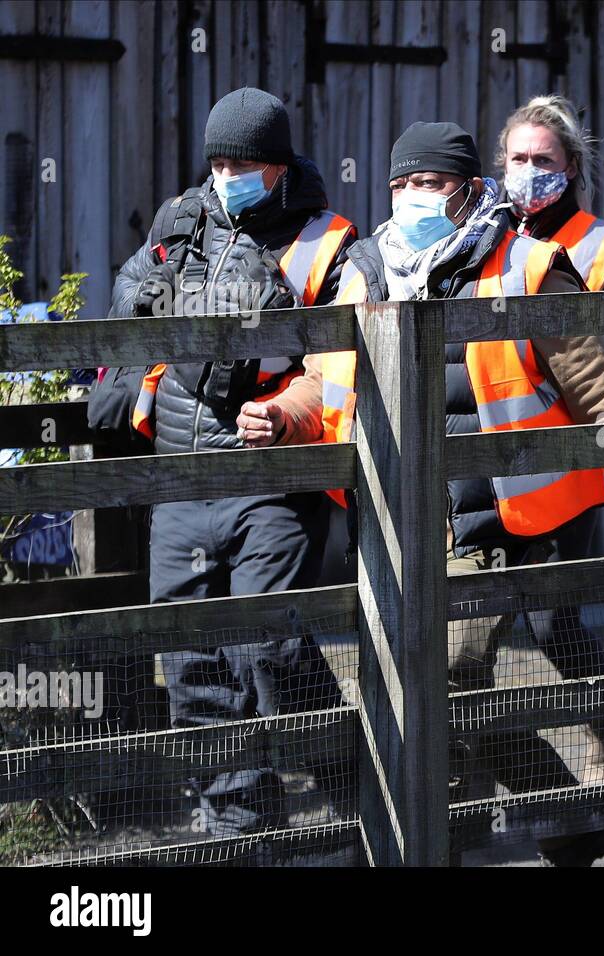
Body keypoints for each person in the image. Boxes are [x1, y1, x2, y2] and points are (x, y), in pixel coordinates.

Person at [309, 121, 604, 865]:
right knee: (436, 695)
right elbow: (323, 385)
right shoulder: (365, 272)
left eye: (433, 183)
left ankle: (506, 826)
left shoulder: (532, 268)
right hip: (404, 526)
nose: (416, 197)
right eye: (403, 184)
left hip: (507, 523)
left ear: (470, 188)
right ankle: (557, 823)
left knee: (448, 672)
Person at [87, 88, 357, 835]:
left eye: (242, 162)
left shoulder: (328, 242)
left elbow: (340, 361)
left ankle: (362, 791)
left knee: (270, 644)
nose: (226, 173)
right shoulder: (182, 222)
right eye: (218, 160)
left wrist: (285, 412)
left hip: (271, 476)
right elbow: (134, 296)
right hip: (181, 472)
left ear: (277, 166)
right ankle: (239, 827)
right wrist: (117, 371)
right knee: (192, 657)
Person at [497, 94, 604, 367]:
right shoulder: (484, 236)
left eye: (543, 160)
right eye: (518, 159)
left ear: (570, 167)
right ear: (505, 163)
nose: (529, 171)